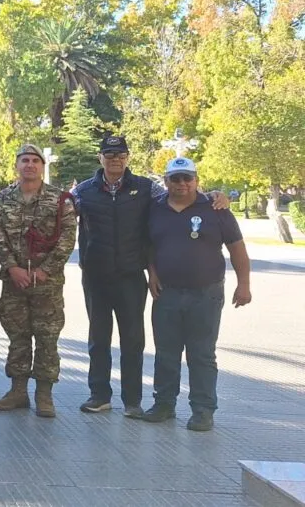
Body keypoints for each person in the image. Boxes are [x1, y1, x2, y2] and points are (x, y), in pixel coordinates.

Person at [73, 135, 228, 418]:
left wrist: (214, 195)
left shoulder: (146, 189)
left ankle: (132, 400)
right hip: (96, 276)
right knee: (98, 337)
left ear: (128, 157)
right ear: (101, 158)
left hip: (132, 276)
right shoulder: (84, 191)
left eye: (120, 154)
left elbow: (181, 194)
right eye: (109, 154)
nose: (115, 159)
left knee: (133, 340)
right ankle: (99, 395)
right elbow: (59, 212)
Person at [143, 157, 251, 432]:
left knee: (201, 354)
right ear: (165, 182)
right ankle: (164, 404)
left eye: (187, 178)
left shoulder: (216, 208)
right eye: (175, 179)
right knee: (166, 352)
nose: (181, 184)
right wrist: (152, 273)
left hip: (206, 293)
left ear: (196, 180)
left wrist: (244, 284)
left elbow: (236, 248)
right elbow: (149, 246)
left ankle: (203, 410)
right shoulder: (154, 209)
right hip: (166, 293)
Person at [0, 144, 77, 418]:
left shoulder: (60, 199)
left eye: (34, 161)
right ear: (16, 165)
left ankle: (44, 394)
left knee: (47, 337)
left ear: (42, 166)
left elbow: (68, 237)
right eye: (24, 160)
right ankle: (17, 391)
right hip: (15, 282)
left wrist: (46, 270)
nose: (29, 165)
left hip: (47, 284)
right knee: (17, 336)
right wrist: (13, 267)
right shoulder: (3, 198)